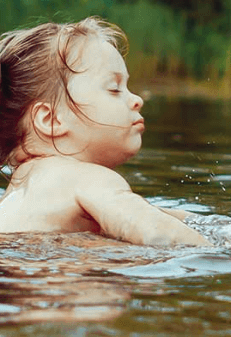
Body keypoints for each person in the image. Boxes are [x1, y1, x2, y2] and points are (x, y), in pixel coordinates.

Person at [0, 17, 210, 247]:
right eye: (114, 88)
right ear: (50, 120)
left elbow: (144, 211)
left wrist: (207, 223)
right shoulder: (85, 177)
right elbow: (159, 234)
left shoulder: (18, 195)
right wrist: (227, 253)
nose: (137, 99)